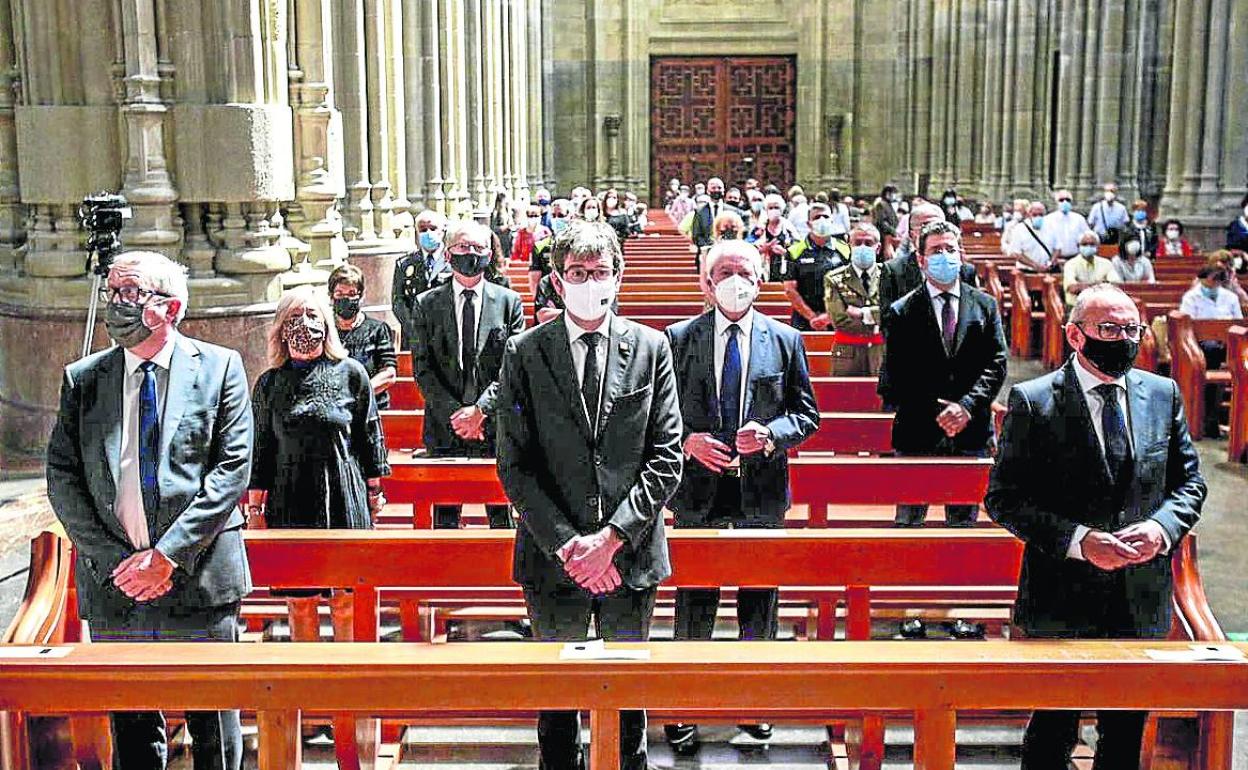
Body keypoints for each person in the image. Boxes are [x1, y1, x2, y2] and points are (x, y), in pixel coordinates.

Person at [46, 251, 253, 770]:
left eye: (130, 294)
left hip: (199, 573)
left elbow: (230, 472)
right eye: (111, 292)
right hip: (116, 580)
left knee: (214, 726)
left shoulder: (221, 367)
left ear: (172, 307)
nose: (116, 305)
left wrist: (166, 557)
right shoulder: (84, 378)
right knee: (134, 728)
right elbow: (63, 477)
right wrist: (119, 562)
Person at [986, 283, 1206, 770]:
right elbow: (1004, 499)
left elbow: (1189, 483)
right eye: (1108, 329)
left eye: (1131, 329)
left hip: (1140, 590)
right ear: (1075, 335)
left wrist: (1161, 529)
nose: (1123, 339)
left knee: (1124, 737)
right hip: (1062, 593)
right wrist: (1080, 542)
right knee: (1051, 733)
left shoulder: (1162, 393)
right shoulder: (1034, 401)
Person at [496, 219, 683, 770]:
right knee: (557, 707)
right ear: (556, 279)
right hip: (554, 559)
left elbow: (666, 455)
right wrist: (570, 546)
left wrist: (613, 538)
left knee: (627, 706)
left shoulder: (652, 347)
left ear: (618, 278)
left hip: (631, 554)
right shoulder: (525, 352)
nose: (587, 281)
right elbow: (515, 464)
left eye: (599, 271)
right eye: (576, 272)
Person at [663, 240, 819, 755]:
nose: (736, 280)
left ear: (761, 278)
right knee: (695, 601)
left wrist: (772, 435)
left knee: (759, 599)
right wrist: (687, 439)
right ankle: (685, 706)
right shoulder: (677, 338)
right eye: (724, 272)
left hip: (761, 489)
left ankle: (755, 700)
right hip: (698, 489)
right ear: (706, 283)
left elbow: (806, 415)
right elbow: (657, 415)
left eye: (745, 272)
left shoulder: (786, 339)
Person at [879, 221, 1008, 527]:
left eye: (950, 249)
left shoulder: (985, 305)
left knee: (963, 521)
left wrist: (965, 406)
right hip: (918, 430)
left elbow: (997, 362)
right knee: (909, 520)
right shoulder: (902, 311)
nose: (945, 255)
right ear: (921, 260)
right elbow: (897, 376)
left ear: (960, 255)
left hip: (972, 427)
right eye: (936, 250)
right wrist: (940, 410)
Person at [411, 220, 525, 529]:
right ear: (448, 255)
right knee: (445, 517)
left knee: (500, 516)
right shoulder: (426, 304)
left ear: (489, 254)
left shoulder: (508, 302)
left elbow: (512, 367)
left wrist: (480, 412)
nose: (470, 253)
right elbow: (423, 368)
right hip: (444, 425)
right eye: (462, 247)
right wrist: (456, 415)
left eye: (478, 248)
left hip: (495, 424)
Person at [878, 203, 978, 312]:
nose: (932, 232)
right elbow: (888, 318)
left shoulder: (965, 271)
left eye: (939, 226)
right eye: (925, 226)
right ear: (911, 236)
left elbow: (975, 313)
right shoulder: (893, 271)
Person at [329, 264, 398, 410]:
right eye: (340, 294)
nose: (345, 299)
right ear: (331, 296)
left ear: (360, 296)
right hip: (334, 409)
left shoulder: (377, 329)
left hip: (371, 408)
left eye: (351, 293)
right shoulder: (326, 330)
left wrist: (359, 395)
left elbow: (389, 374)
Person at [825, 222, 885, 375]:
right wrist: (878, 319)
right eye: (858, 243)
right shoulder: (834, 279)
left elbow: (893, 315)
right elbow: (839, 320)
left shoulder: (890, 275)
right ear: (849, 245)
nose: (863, 247)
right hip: (847, 354)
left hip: (882, 353)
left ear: (878, 248)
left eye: (868, 243)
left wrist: (863, 314)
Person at [783, 202, 850, 330]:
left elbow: (852, 286)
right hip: (804, 320)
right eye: (817, 217)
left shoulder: (845, 249)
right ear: (809, 223)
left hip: (838, 319)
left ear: (832, 221)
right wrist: (812, 317)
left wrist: (829, 316)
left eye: (825, 217)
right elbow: (790, 290)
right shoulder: (794, 251)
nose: (822, 220)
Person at [392, 210, 452, 349]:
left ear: (442, 231)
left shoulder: (452, 261)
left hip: (446, 334)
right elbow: (398, 301)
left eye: (433, 228)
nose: (428, 233)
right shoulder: (405, 264)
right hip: (414, 338)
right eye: (423, 229)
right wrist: (412, 328)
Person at [749, 192, 800, 281]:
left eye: (776, 207)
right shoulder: (759, 228)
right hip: (763, 272)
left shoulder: (789, 228)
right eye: (770, 208)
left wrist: (785, 252)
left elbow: (799, 249)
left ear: (782, 209)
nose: (773, 210)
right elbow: (749, 249)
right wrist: (763, 249)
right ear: (766, 210)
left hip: (785, 272)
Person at [1063, 231, 1121, 305]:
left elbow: (1115, 284)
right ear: (1078, 246)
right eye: (1084, 244)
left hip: (1102, 306)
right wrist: (1101, 285)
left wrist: (1082, 285)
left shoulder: (1106, 263)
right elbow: (1072, 288)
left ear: (1097, 246)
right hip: (1077, 307)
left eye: (1092, 244)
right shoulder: (1070, 264)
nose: (1088, 247)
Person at [1003, 201, 1058, 273]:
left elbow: (1057, 248)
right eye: (1035, 215)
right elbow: (1016, 253)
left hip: (1048, 269)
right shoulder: (1019, 229)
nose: (1038, 217)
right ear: (1029, 214)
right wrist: (1034, 265)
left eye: (1041, 215)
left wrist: (1051, 262)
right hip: (1026, 270)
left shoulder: (1051, 227)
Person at [1043, 189, 1091, 260]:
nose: (1065, 202)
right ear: (1056, 202)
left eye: (1067, 200)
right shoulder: (1048, 219)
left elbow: (1087, 236)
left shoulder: (1079, 218)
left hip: (1075, 257)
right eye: (1061, 200)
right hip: (1055, 258)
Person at [690, 177, 727, 260]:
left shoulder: (733, 211)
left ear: (724, 190)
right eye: (713, 188)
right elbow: (696, 236)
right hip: (707, 254)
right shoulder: (699, 212)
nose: (717, 190)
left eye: (719, 188)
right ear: (708, 191)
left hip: (728, 252)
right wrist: (709, 245)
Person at [871, 184, 900, 258]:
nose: (894, 195)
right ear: (887, 193)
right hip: (884, 235)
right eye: (892, 193)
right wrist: (893, 230)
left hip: (890, 235)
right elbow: (882, 221)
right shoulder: (881, 204)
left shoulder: (889, 204)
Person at [489, 191, 516, 261]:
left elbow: (511, 222)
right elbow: (493, 228)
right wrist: (504, 227)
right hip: (499, 239)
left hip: (508, 239)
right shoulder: (495, 213)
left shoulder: (507, 211)